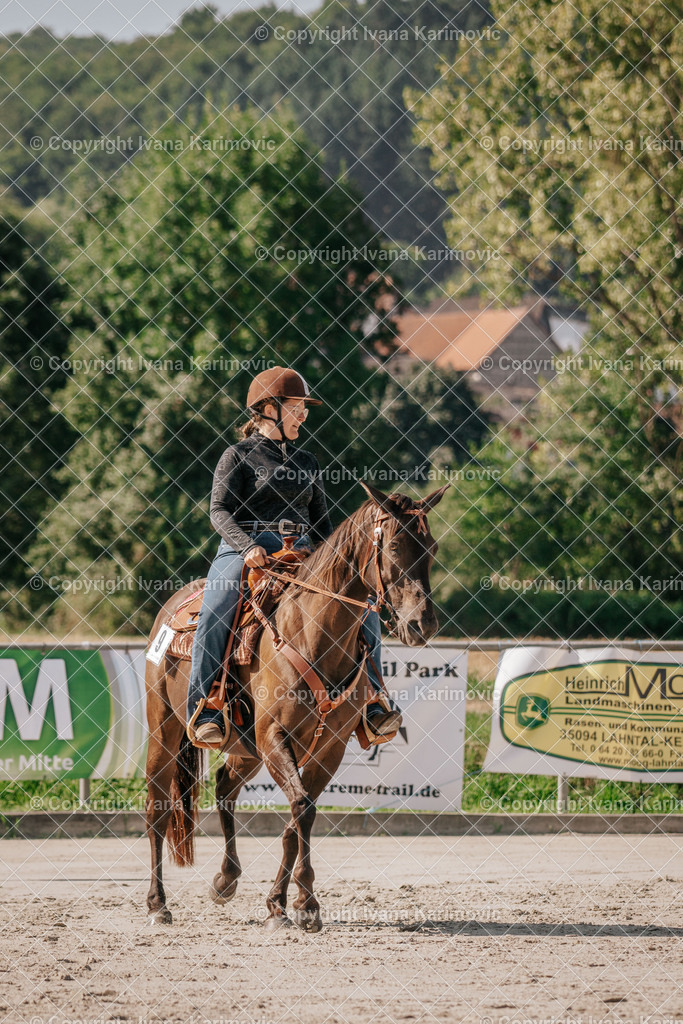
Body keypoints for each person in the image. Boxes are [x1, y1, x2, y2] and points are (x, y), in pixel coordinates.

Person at [187, 365, 403, 747]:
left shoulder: (308, 462)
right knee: (217, 606)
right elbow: (218, 511)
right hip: (245, 548)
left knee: (363, 603)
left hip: (303, 553)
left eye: (305, 407)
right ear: (269, 408)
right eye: (297, 405)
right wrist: (247, 546)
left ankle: (373, 700)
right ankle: (205, 706)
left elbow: (323, 526)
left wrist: (336, 563)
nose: (305, 414)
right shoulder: (236, 456)